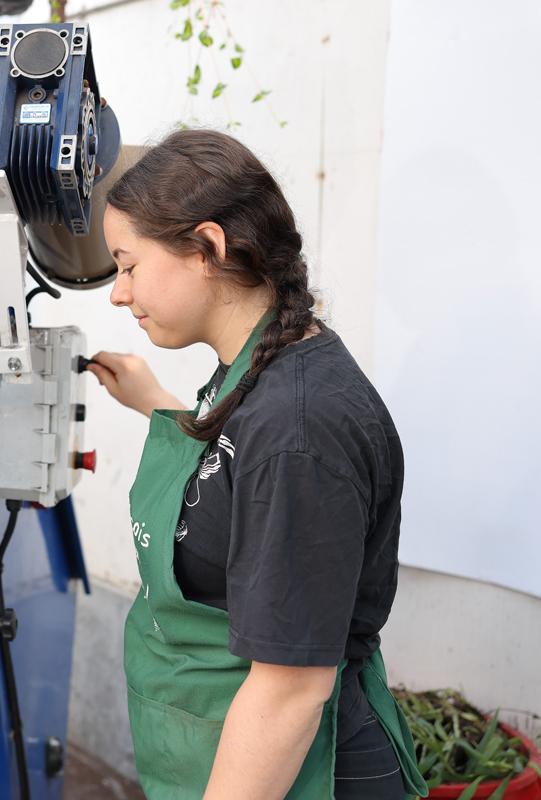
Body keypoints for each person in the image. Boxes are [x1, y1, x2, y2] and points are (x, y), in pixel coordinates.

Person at [84, 129, 428, 800]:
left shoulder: (301, 431)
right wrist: (157, 404)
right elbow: (239, 470)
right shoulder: (260, 372)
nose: (118, 294)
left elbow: (289, 693)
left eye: (127, 264)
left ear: (207, 248)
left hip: (307, 771)